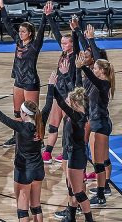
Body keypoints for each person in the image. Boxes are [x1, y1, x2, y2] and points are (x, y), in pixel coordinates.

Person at [0, 72, 57, 222]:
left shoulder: (22, 127)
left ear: (24, 113)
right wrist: (51, 86)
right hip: (38, 168)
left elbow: (1, 117)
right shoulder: (40, 121)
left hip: (24, 169)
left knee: (22, 209)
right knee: (36, 206)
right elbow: (48, 103)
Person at [0, 0, 50, 148]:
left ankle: (38, 138)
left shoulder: (35, 45)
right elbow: (8, 25)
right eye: (20, 31)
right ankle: (16, 136)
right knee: (17, 112)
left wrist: (45, 16)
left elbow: (41, 30)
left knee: (33, 114)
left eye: (23, 31)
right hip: (19, 81)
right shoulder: (18, 42)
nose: (20, 33)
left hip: (30, 82)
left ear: (30, 33)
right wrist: (2, 8)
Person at [75, 53, 115, 207]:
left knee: (98, 163)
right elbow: (82, 88)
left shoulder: (104, 83)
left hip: (100, 125)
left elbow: (92, 78)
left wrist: (84, 67)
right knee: (102, 160)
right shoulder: (96, 82)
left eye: (96, 68)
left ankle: (100, 195)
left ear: (101, 71)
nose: (94, 69)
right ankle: (103, 188)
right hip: (98, 123)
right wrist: (79, 70)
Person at [43, 11, 80, 164]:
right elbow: (58, 35)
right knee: (53, 125)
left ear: (72, 44)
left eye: (66, 43)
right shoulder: (64, 53)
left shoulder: (75, 55)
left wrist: (74, 29)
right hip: (59, 94)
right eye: (62, 43)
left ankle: (65, 152)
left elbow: (76, 41)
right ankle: (47, 153)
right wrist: (49, 16)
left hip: (69, 96)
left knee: (67, 127)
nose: (63, 45)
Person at [53, 87, 95, 222]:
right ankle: (71, 217)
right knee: (72, 189)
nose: (68, 104)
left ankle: (89, 219)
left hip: (77, 157)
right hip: (74, 154)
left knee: (78, 192)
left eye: (70, 102)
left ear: (75, 104)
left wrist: (52, 86)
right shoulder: (79, 113)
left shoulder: (78, 117)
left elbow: (61, 103)